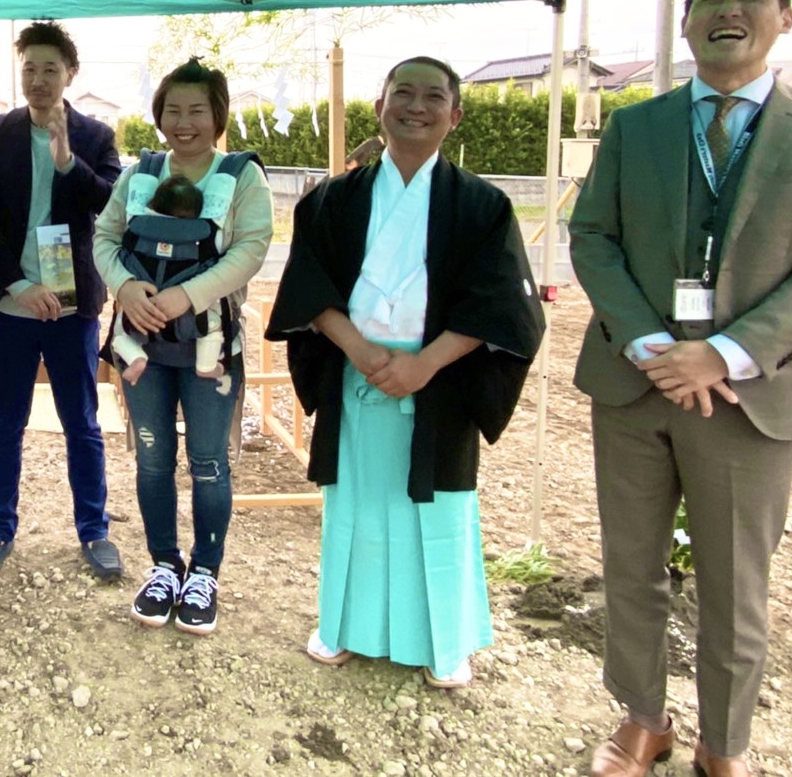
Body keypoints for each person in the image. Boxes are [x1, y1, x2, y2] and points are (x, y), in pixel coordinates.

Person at [569, 0, 792, 777]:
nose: (726, 13)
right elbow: (592, 235)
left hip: (748, 396)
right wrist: (651, 342)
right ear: (687, 16)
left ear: (784, 16)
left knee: (736, 585)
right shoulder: (638, 126)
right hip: (636, 382)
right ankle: (642, 718)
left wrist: (725, 354)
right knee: (631, 565)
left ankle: (725, 743)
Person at [267, 56, 543, 688]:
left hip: (440, 376)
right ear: (380, 105)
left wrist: (426, 363)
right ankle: (342, 626)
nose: (416, 106)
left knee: (437, 508)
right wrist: (360, 352)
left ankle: (443, 641)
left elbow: (499, 304)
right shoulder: (332, 200)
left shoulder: (483, 205)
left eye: (433, 97)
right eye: (403, 94)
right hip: (354, 371)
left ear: (455, 114)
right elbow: (308, 287)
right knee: (357, 505)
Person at [92, 58, 273, 636]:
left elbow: (251, 248)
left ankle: (205, 573)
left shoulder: (242, 176)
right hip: (142, 345)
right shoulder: (139, 173)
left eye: (197, 110)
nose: (184, 122)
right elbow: (105, 236)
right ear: (159, 114)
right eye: (174, 110)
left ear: (218, 114)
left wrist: (184, 297)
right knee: (151, 459)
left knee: (208, 462)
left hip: (209, 351)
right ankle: (164, 566)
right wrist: (125, 285)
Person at [0, 21, 123, 583]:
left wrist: (65, 160)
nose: (37, 79)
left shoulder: (96, 135)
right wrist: (16, 284)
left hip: (70, 303)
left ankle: (95, 530)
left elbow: (110, 208)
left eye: (49, 69)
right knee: (4, 422)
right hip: (12, 301)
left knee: (81, 421)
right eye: (29, 68)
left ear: (70, 74)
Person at [108, 175, 227, 387]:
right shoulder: (204, 237)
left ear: (153, 204)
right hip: (188, 318)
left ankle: (136, 357)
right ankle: (206, 365)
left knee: (119, 331)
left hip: (142, 315)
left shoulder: (135, 232)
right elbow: (214, 268)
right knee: (213, 324)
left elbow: (123, 259)